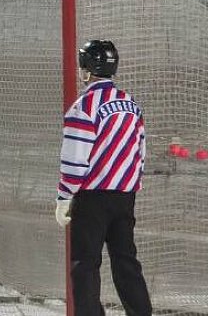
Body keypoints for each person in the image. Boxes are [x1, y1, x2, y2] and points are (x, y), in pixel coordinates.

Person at [55, 40, 152, 316]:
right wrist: (131, 185)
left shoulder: (84, 106)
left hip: (92, 198)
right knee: (126, 262)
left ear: (86, 68)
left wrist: (64, 196)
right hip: (124, 196)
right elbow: (140, 149)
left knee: (85, 265)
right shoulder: (130, 103)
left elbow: (74, 160)